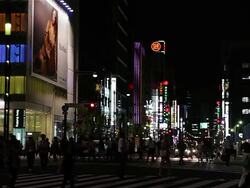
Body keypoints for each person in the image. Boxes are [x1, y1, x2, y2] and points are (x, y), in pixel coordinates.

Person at [36, 8, 57, 78]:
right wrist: (47, 47)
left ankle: (49, 74)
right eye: (53, 14)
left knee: (50, 65)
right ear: (51, 15)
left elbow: (55, 38)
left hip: (52, 47)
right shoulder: (49, 22)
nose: (54, 16)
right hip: (46, 46)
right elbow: (46, 35)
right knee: (43, 59)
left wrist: (53, 45)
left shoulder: (56, 26)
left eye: (55, 15)